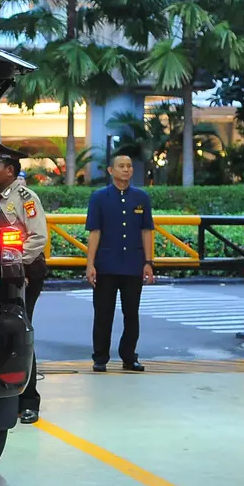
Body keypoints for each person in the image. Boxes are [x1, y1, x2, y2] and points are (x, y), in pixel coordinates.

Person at [0, 139, 47, 424]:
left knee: (21, 330)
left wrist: (14, 262)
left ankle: (29, 401)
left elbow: (38, 238)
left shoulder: (25, 198)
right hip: (0, 273)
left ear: (9, 170)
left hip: (24, 271)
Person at [85, 154, 155, 372]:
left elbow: (147, 231)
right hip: (106, 265)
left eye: (129, 166)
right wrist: (90, 264)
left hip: (133, 265)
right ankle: (100, 357)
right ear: (110, 171)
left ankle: (129, 356)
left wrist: (148, 262)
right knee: (103, 314)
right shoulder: (99, 197)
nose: (126, 169)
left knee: (131, 314)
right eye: (121, 166)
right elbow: (95, 232)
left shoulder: (141, 197)